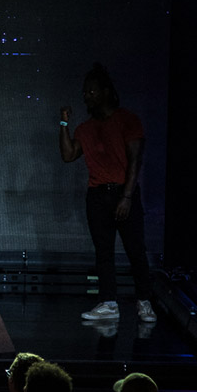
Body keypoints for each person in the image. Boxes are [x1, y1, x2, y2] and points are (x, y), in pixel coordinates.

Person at [59, 62, 156, 324]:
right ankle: (109, 302)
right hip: (97, 195)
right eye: (84, 92)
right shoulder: (84, 129)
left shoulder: (127, 120)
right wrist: (64, 123)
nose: (86, 96)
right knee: (103, 252)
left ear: (105, 92)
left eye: (91, 91)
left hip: (124, 193)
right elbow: (68, 155)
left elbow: (135, 160)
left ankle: (144, 301)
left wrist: (126, 196)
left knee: (135, 250)